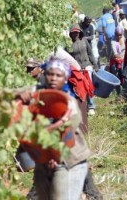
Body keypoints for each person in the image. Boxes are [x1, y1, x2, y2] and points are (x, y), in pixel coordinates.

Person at [16, 59, 92, 199]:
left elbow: (67, 129)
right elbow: (11, 94)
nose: (53, 78)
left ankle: (92, 192)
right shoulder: (37, 91)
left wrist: (54, 154)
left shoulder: (69, 102)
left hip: (68, 159)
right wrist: (19, 94)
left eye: (58, 75)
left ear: (65, 79)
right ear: (45, 74)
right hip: (44, 159)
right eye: (50, 74)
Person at [69, 24, 99, 116]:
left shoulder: (84, 41)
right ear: (71, 34)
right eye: (73, 33)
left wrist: (95, 64)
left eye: (77, 33)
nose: (75, 34)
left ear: (80, 33)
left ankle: (91, 106)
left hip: (87, 66)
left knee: (88, 86)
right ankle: (81, 106)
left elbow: (90, 53)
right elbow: (68, 58)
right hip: (77, 69)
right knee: (79, 88)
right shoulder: (69, 44)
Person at [109, 26, 125, 95]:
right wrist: (117, 55)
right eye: (117, 35)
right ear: (115, 34)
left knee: (124, 75)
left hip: (123, 59)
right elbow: (114, 51)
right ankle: (116, 90)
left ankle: (125, 89)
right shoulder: (113, 41)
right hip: (115, 60)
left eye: (120, 35)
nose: (119, 36)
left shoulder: (124, 39)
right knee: (115, 75)